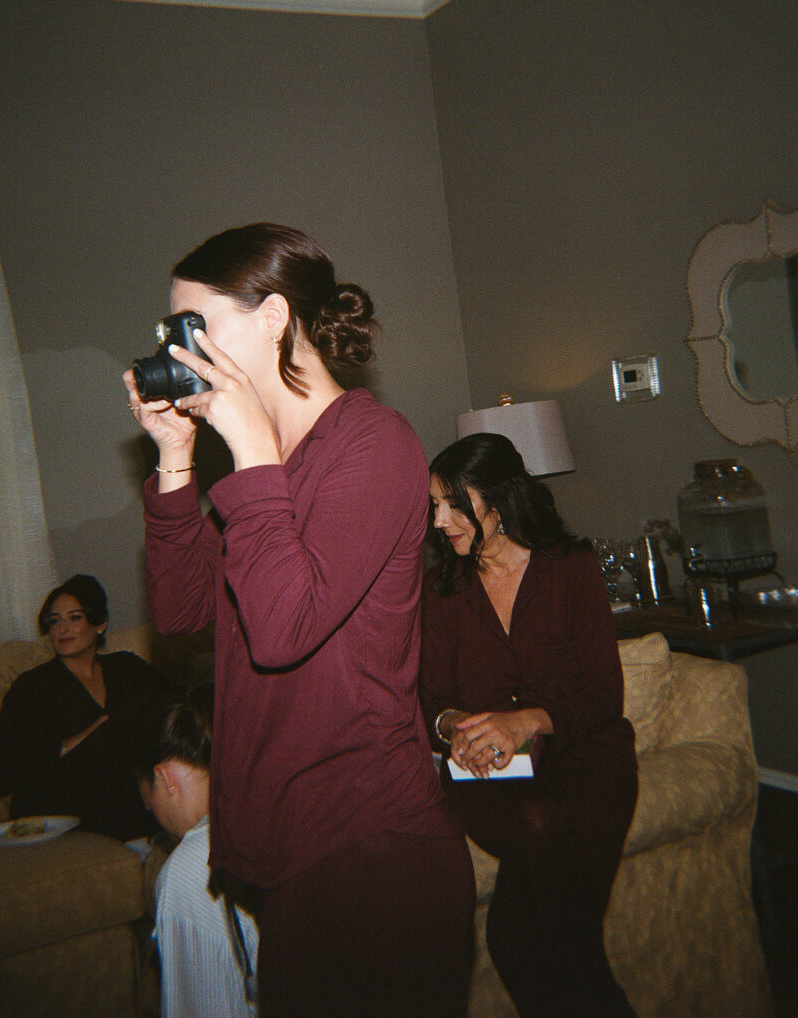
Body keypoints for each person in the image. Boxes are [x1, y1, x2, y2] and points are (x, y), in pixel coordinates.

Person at [123, 223, 474, 1018]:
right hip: (288, 845)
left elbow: (283, 630)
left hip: (370, 848)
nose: (180, 350)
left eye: (193, 326)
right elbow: (180, 613)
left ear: (275, 318)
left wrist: (248, 451)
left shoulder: (374, 445)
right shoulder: (264, 465)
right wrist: (177, 461)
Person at [419, 433, 638, 1018]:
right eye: (433, 506)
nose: (439, 521)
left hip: (587, 759)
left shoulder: (571, 569)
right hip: (488, 773)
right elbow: (432, 699)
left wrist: (526, 722)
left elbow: (603, 694)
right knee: (538, 830)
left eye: (451, 504)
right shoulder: (443, 590)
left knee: (519, 941)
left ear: (497, 499)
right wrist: (456, 726)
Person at [0, 573, 173, 840]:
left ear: (100, 624)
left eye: (74, 618)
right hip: (58, 798)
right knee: (120, 730)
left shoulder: (125, 668)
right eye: (54, 621)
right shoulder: (32, 688)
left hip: (124, 790)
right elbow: (0, 777)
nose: (62, 629)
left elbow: (177, 709)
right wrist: (80, 739)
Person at [138, 685, 259, 1018]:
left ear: (165, 779)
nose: (154, 813)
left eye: (149, 801)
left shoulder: (190, 870)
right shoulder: (267, 816)